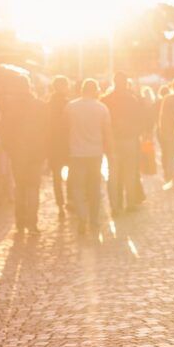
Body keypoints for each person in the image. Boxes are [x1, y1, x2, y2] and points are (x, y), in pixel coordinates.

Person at [64, 78, 113, 235]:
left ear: (82, 90)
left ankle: (82, 216)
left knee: (77, 188)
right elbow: (107, 132)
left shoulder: (71, 107)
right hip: (95, 153)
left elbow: (64, 129)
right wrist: (110, 151)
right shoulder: (102, 108)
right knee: (94, 187)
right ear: (96, 90)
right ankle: (94, 219)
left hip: (76, 153)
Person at [0, 76, 47, 234]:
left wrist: (10, 149)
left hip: (18, 154)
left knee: (20, 187)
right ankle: (32, 224)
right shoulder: (40, 106)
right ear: (29, 87)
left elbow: (4, 131)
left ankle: (20, 222)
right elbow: (48, 131)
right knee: (33, 188)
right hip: (36, 154)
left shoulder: (10, 107)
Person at [102, 72, 146, 214]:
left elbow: (103, 122)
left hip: (112, 140)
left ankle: (115, 206)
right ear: (126, 82)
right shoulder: (133, 99)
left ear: (114, 82)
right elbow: (141, 120)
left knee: (113, 175)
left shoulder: (106, 100)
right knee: (130, 173)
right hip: (130, 140)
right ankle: (131, 203)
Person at [47, 76, 72, 215]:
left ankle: (60, 204)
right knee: (71, 173)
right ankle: (70, 199)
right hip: (66, 144)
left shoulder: (48, 104)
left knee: (57, 177)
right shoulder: (68, 104)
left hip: (53, 145)